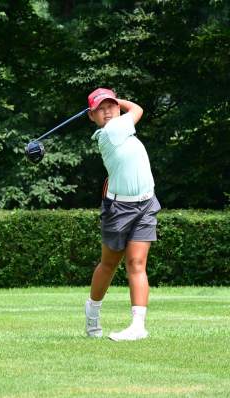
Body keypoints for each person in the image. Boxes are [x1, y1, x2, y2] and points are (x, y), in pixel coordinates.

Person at [84, 88, 161, 341]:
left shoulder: (123, 129)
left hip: (146, 204)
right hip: (119, 209)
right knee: (109, 264)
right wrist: (120, 102)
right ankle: (93, 311)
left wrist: (114, 101)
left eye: (111, 106)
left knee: (136, 263)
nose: (108, 111)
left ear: (118, 108)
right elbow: (137, 109)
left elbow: (132, 111)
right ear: (91, 116)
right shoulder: (109, 133)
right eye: (100, 109)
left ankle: (138, 327)